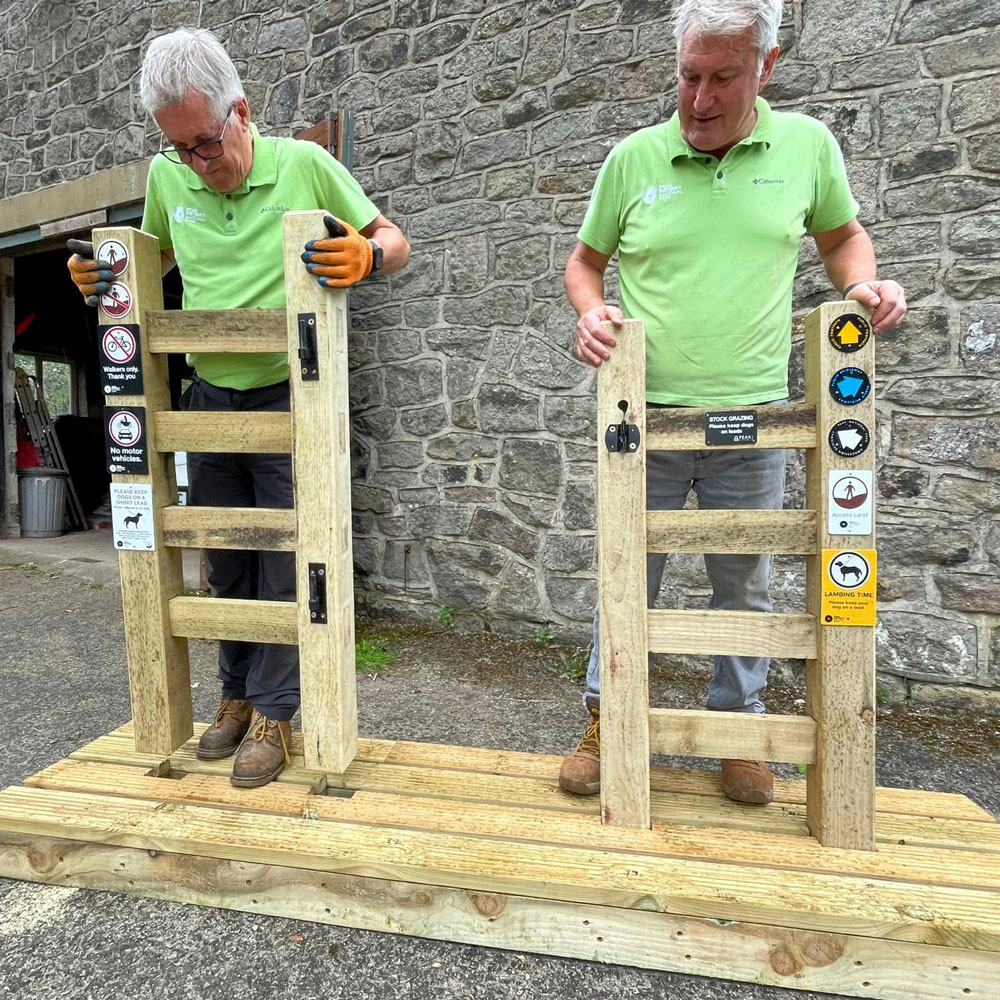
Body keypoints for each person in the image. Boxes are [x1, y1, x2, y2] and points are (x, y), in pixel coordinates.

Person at [559, 0, 906, 805]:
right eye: (689, 76)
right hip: (638, 420)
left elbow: (843, 237)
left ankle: (739, 730)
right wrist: (591, 311)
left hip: (755, 419)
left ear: (767, 67)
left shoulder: (808, 148)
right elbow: (584, 263)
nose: (701, 98)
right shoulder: (632, 159)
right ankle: (610, 718)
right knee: (626, 575)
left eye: (724, 77)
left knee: (742, 581)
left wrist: (861, 281)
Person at [67, 27, 409, 788]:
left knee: (286, 563)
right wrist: (101, 275)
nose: (196, 162)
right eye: (179, 148)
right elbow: (150, 261)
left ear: (242, 112)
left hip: (291, 395)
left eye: (205, 143)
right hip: (206, 399)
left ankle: (276, 715)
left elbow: (394, 237)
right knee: (224, 558)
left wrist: (368, 256)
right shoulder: (171, 178)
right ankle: (232, 696)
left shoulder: (307, 166)